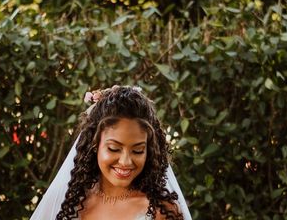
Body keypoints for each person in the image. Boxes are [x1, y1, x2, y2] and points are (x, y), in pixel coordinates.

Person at [30, 85, 192, 220]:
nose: (126, 161)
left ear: (148, 150)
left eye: (137, 150)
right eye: (114, 148)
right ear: (94, 144)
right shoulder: (69, 203)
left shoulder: (162, 212)